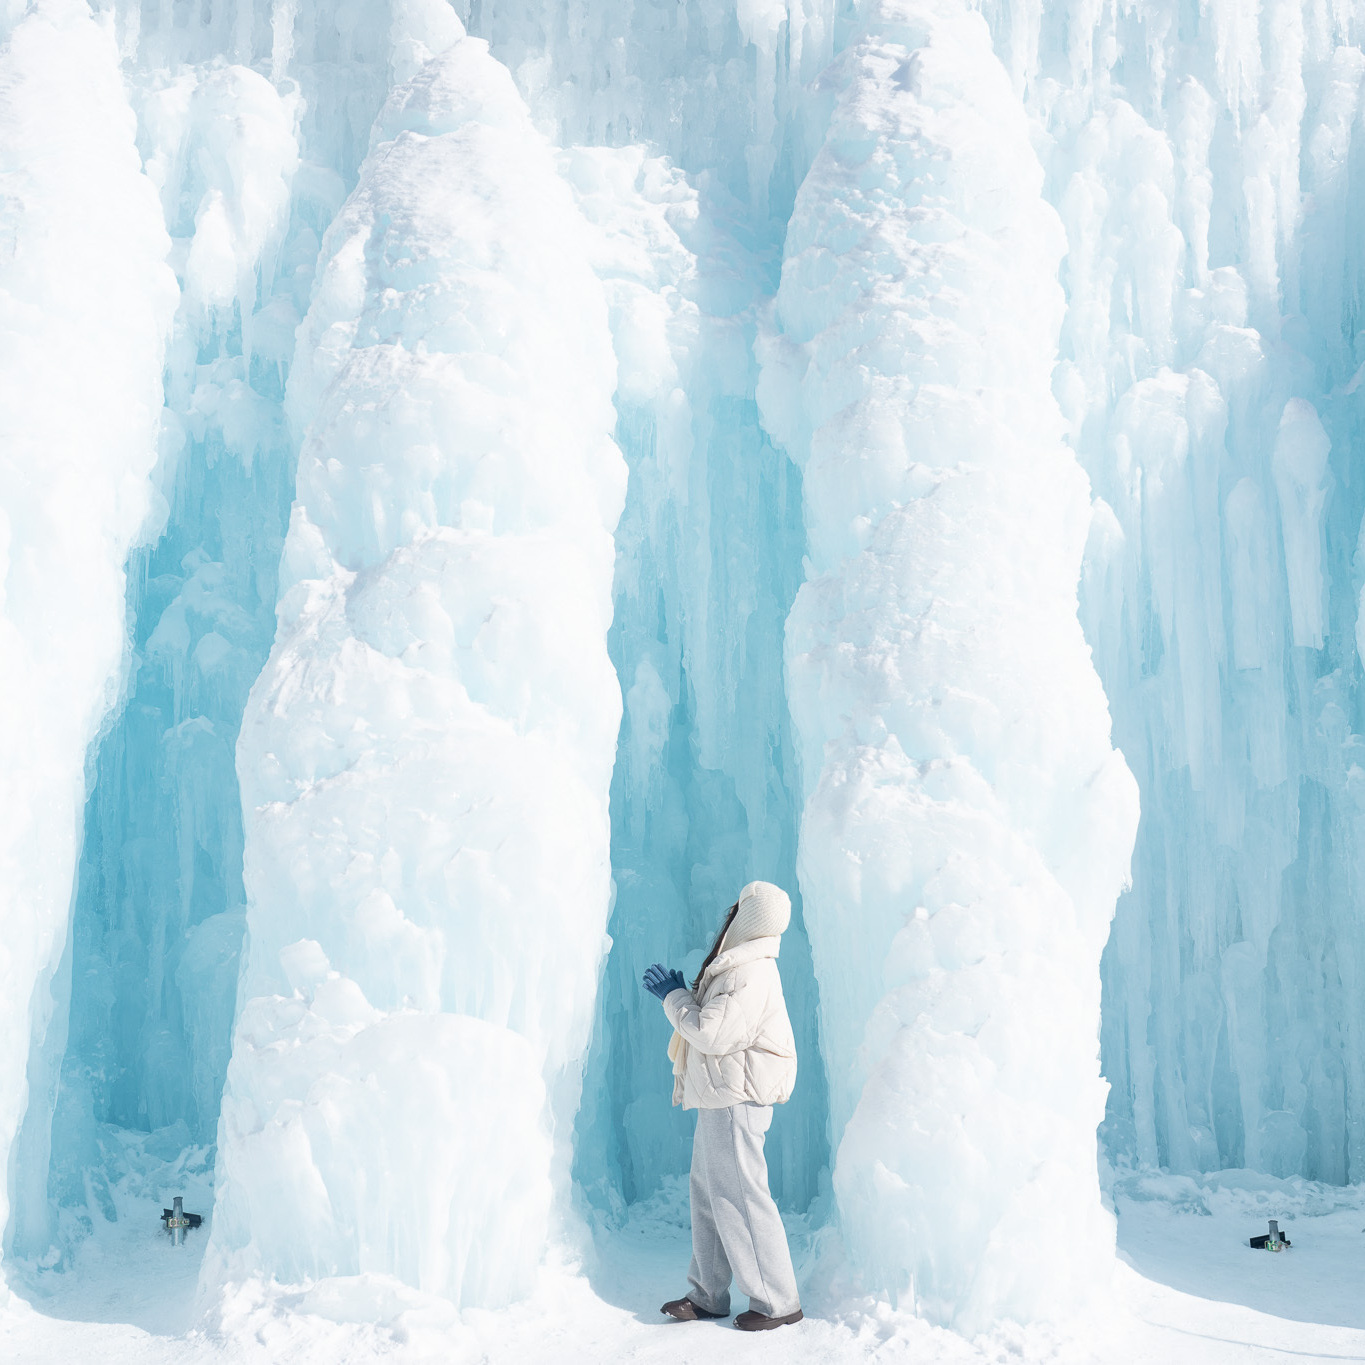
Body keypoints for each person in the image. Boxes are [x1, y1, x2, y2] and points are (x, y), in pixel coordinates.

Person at [641, 880, 803, 1332]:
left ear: (750, 918)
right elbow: (720, 1026)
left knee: (740, 1195)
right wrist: (684, 996)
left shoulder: (750, 972)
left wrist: (673, 998)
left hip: (737, 1098)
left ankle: (779, 1302)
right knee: (709, 1192)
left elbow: (713, 1034)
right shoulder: (735, 968)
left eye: (736, 911)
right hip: (721, 1095)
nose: (726, 918)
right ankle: (707, 1294)